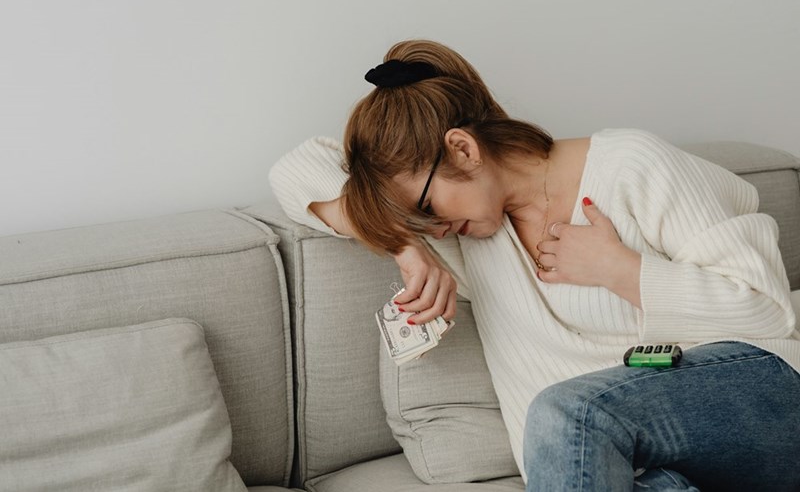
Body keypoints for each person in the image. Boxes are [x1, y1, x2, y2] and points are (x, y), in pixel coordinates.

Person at [269, 39, 800, 491]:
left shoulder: (633, 166)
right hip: (630, 465)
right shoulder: (464, 239)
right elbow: (295, 172)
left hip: (758, 403)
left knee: (569, 411)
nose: (433, 227)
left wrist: (619, 270)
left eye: (426, 207)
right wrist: (404, 244)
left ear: (463, 149)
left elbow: (768, 312)